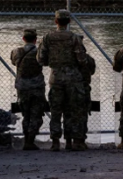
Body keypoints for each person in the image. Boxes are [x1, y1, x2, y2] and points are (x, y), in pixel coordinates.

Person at [38, 10, 89, 151]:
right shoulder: (74, 38)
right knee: (73, 110)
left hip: (56, 77)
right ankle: (72, 141)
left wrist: (54, 63)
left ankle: (55, 142)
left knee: (56, 110)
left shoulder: (47, 38)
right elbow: (82, 60)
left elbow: (40, 59)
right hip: (73, 78)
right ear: (69, 22)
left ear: (56, 21)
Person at [10, 28, 46, 151]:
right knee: (36, 115)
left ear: (23, 38)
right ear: (35, 40)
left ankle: (27, 140)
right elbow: (45, 62)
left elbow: (14, 63)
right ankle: (30, 141)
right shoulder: (39, 52)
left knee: (26, 115)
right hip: (37, 88)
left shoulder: (16, 52)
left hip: (22, 88)